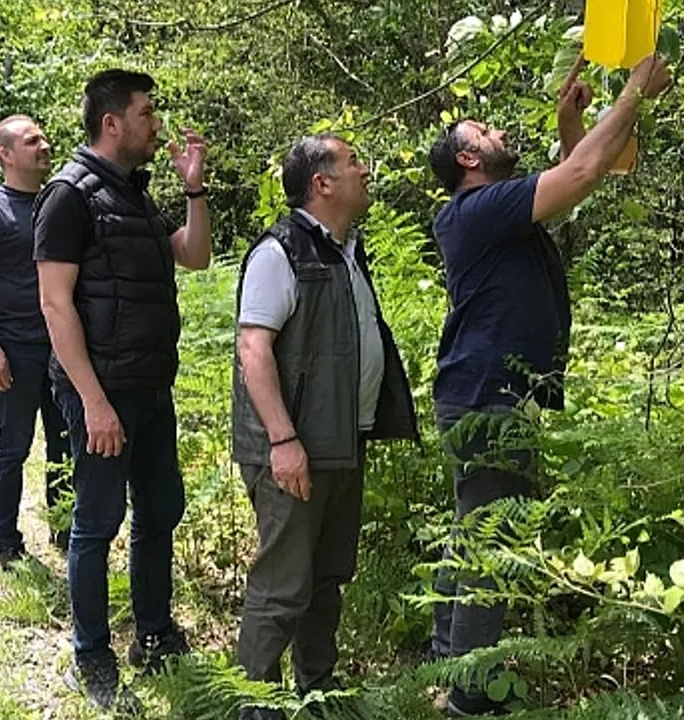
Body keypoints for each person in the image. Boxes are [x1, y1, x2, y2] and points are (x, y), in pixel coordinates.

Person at [426, 54, 671, 716]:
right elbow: (582, 173)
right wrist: (636, 90)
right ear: (468, 160)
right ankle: (471, 694)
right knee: (491, 541)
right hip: (487, 398)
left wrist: (571, 121)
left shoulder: (495, 212)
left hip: (484, 394)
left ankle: (447, 656)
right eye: (484, 131)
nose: (499, 131)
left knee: (474, 527)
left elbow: (578, 176)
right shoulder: (477, 210)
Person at [33, 68, 211, 710]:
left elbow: (195, 256)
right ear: (112, 123)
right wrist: (93, 401)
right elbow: (55, 305)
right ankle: (91, 656)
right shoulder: (69, 196)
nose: (156, 124)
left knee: (160, 510)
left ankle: (154, 634)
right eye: (146, 113)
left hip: (150, 387)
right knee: (97, 522)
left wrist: (194, 188)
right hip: (101, 392)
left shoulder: (134, 195)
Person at [230, 133, 420, 720]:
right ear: (322, 183)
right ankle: (254, 704)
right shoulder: (280, 252)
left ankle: (318, 693)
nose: (366, 170)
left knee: (326, 577)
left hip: (342, 443)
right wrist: (283, 440)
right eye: (353, 162)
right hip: (294, 450)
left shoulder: (345, 251)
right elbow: (253, 349)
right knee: (282, 584)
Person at [0, 114, 72, 567]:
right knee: (14, 446)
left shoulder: (59, 202)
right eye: (31, 140)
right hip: (16, 348)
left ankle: (67, 531)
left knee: (65, 445)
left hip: (63, 348)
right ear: (5, 154)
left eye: (43, 137)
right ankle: (7, 542)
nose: (44, 145)